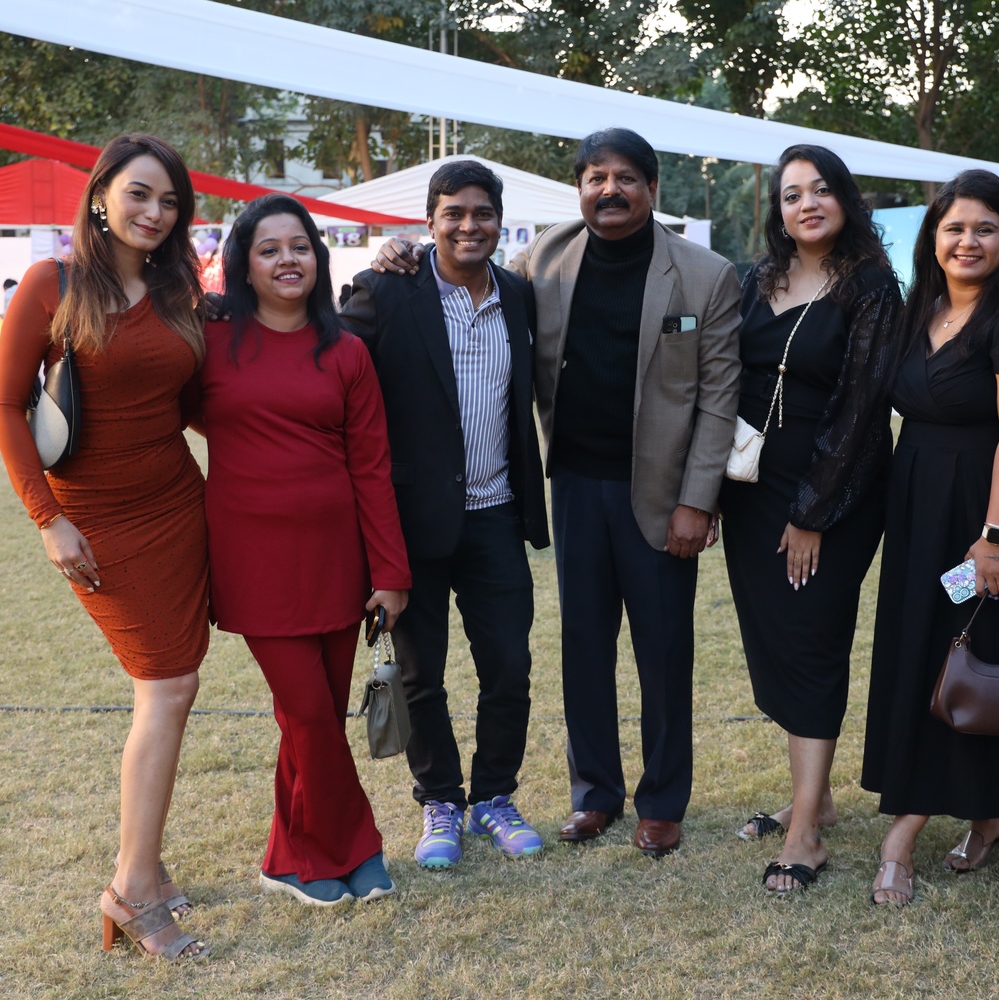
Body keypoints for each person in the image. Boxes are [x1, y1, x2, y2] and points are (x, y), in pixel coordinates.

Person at [373, 128, 741, 857]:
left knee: (664, 651)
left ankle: (662, 800)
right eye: (595, 177)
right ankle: (595, 793)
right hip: (572, 487)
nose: (610, 190)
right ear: (579, 190)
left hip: (663, 495)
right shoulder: (544, 260)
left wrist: (698, 500)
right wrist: (401, 254)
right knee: (584, 650)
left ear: (652, 188)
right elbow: (459, 267)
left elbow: (720, 396)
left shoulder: (706, 275)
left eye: (626, 177)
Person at [0, 134, 210, 961]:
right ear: (101, 196)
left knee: (175, 686)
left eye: (170, 202)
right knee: (168, 684)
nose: (155, 212)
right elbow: (5, 406)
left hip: (178, 503)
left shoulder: (179, 288)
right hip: (98, 520)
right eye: (140, 194)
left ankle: (146, 867)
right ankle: (131, 887)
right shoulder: (53, 283)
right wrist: (47, 519)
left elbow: (190, 400)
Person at [191, 193, 408, 905]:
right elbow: (168, 412)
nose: (288, 259)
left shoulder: (346, 351)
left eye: (300, 246)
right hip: (253, 562)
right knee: (310, 715)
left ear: (317, 256)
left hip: (338, 561)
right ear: (243, 265)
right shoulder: (209, 342)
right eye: (269, 249)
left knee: (310, 720)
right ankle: (356, 847)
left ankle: (288, 857)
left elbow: (372, 466)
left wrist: (390, 572)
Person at [860, 169, 999, 906]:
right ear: (932, 237)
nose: (968, 241)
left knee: (967, 652)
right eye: (954, 228)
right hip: (918, 507)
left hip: (984, 511)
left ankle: (902, 837)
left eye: (985, 228)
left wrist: (996, 537)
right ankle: (991, 815)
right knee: (923, 650)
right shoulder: (921, 310)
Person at [341, 161, 550, 871]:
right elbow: (326, 359)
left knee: (509, 667)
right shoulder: (384, 291)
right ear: (429, 221)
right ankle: (439, 801)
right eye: (453, 213)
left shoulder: (518, 295)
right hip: (410, 523)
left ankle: (494, 796)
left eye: (482, 213)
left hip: (497, 515)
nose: (469, 225)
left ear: (500, 221)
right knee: (419, 675)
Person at [718, 145, 900, 894]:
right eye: (792, 194)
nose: (807, 204)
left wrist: (814, 513)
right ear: (779, 211)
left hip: (833, 495)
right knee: (773, 640)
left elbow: (862, 407)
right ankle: (813, 797)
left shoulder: (872, 285)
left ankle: (806, 836)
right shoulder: (756, 278)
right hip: (750, 490)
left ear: (846, 200)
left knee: (812, 642)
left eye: (821, 190)